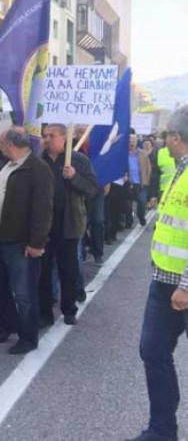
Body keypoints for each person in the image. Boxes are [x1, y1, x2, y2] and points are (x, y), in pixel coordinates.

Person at [129, 107, 188, 441]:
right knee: (152, 350)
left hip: (183, 286)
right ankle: (163, 431)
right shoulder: (180, 168)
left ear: (176, 138)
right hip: (164, 281)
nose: (162, 138)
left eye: (166, 133)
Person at [0, 127, 53, 355]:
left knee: (24, 293)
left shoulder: (37, 169)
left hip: (19, 243)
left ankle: (28, 337)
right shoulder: (6, 165)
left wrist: (37, 244)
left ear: (10, 144)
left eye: (0, 141)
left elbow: (43, 210)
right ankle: (7, 326)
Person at [38, 124, 98, 327]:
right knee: (43, 272)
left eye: (51, 135)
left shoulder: (79, 160)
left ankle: (69, 309)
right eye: (44, 136)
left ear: (64, 137)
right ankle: (44, 312)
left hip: (69, 224)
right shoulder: (39, 160)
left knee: (68, 270)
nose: (47, 139)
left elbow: (92, 188)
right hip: (44, 226)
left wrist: (74, 177)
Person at [128, 133, 152, 227]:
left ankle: (141, 217)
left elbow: (148, 168)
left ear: (137, 141)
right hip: (129, 183)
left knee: (141, 203)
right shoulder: (123, 153)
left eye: (133, 139)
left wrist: (146, 180)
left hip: (140, 183)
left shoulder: (142, 153)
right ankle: (128, 222)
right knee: (128, 205)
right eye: (130, 139)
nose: (131, 141)